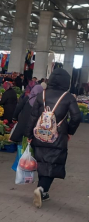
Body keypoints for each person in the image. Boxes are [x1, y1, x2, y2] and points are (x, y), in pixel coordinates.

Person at [26, 68, 81, 208]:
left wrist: (29, 134)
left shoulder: (41, 95)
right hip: (58, 136)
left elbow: (33, 116)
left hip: (39, 135)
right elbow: (76, 117)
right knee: (53, 163)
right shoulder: (68, 97)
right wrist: (70, 131)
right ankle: (41, 189)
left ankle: (41, 190)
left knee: (42, 162)